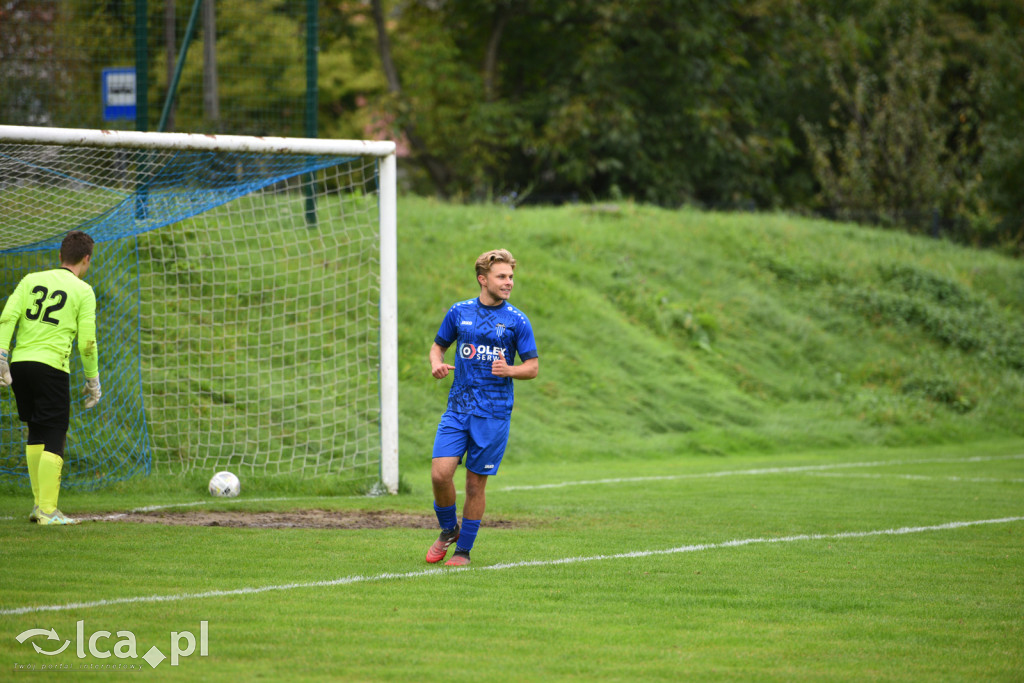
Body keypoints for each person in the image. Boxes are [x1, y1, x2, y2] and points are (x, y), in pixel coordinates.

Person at [426, 248, 539, 567]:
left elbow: (532, 367)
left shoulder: (517, 321)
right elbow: (438, 347)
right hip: (458, 409)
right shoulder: (459, 311)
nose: (509, 282)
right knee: (439, 474)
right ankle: (449, 531)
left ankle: (463, 551)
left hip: (493, 414)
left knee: (475, 484)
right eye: (502, 276)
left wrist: (510, 370)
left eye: (511, 277)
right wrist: (436, 363)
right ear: (482, 279)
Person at [0, 230, 102, 526]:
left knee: (36, 431)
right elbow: (87, 343)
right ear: (86, 259)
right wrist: (92, 380)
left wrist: (2, 355)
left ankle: (37, 506)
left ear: (59, 256)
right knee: (55, 432)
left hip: (20, 365)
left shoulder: (30, 280)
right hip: (51, 367)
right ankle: (48, 510)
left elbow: (7, 316)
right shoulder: (83, 291)